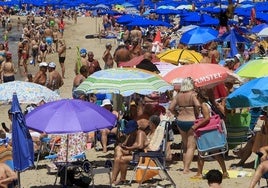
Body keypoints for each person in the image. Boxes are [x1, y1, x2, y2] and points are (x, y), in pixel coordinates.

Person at [191, 90, 228, 179]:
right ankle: (224, 172)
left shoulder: (204, 105)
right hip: (210, 130)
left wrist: (196, 126)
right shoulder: (207, 104)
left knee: (202, 152)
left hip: (206, 131)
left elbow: (207, 118)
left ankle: (199, 173)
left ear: (199, 97)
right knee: (215, 152)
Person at [168, 77, 200, 174]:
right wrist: (197, 113)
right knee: (191, 146)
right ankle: (186, 168)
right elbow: (198, 105)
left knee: (185, 145)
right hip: (191, 120)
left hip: (180, 121)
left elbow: (170, 108)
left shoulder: (178, 95)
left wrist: (177, 114)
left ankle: (184, 166)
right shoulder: (193, 94)